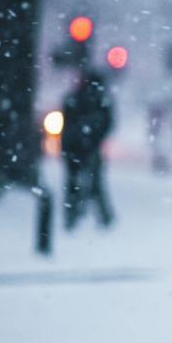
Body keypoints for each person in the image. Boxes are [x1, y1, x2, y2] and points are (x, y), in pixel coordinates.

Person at [61, 70, 115, 230]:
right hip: (87, 147)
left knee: (74, 183)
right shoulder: (100, 101)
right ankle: (102, 217)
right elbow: (107, 124)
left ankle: (72, 216)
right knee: (94, 183)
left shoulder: (75, 98)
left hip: (74, 147)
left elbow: (68, 120)